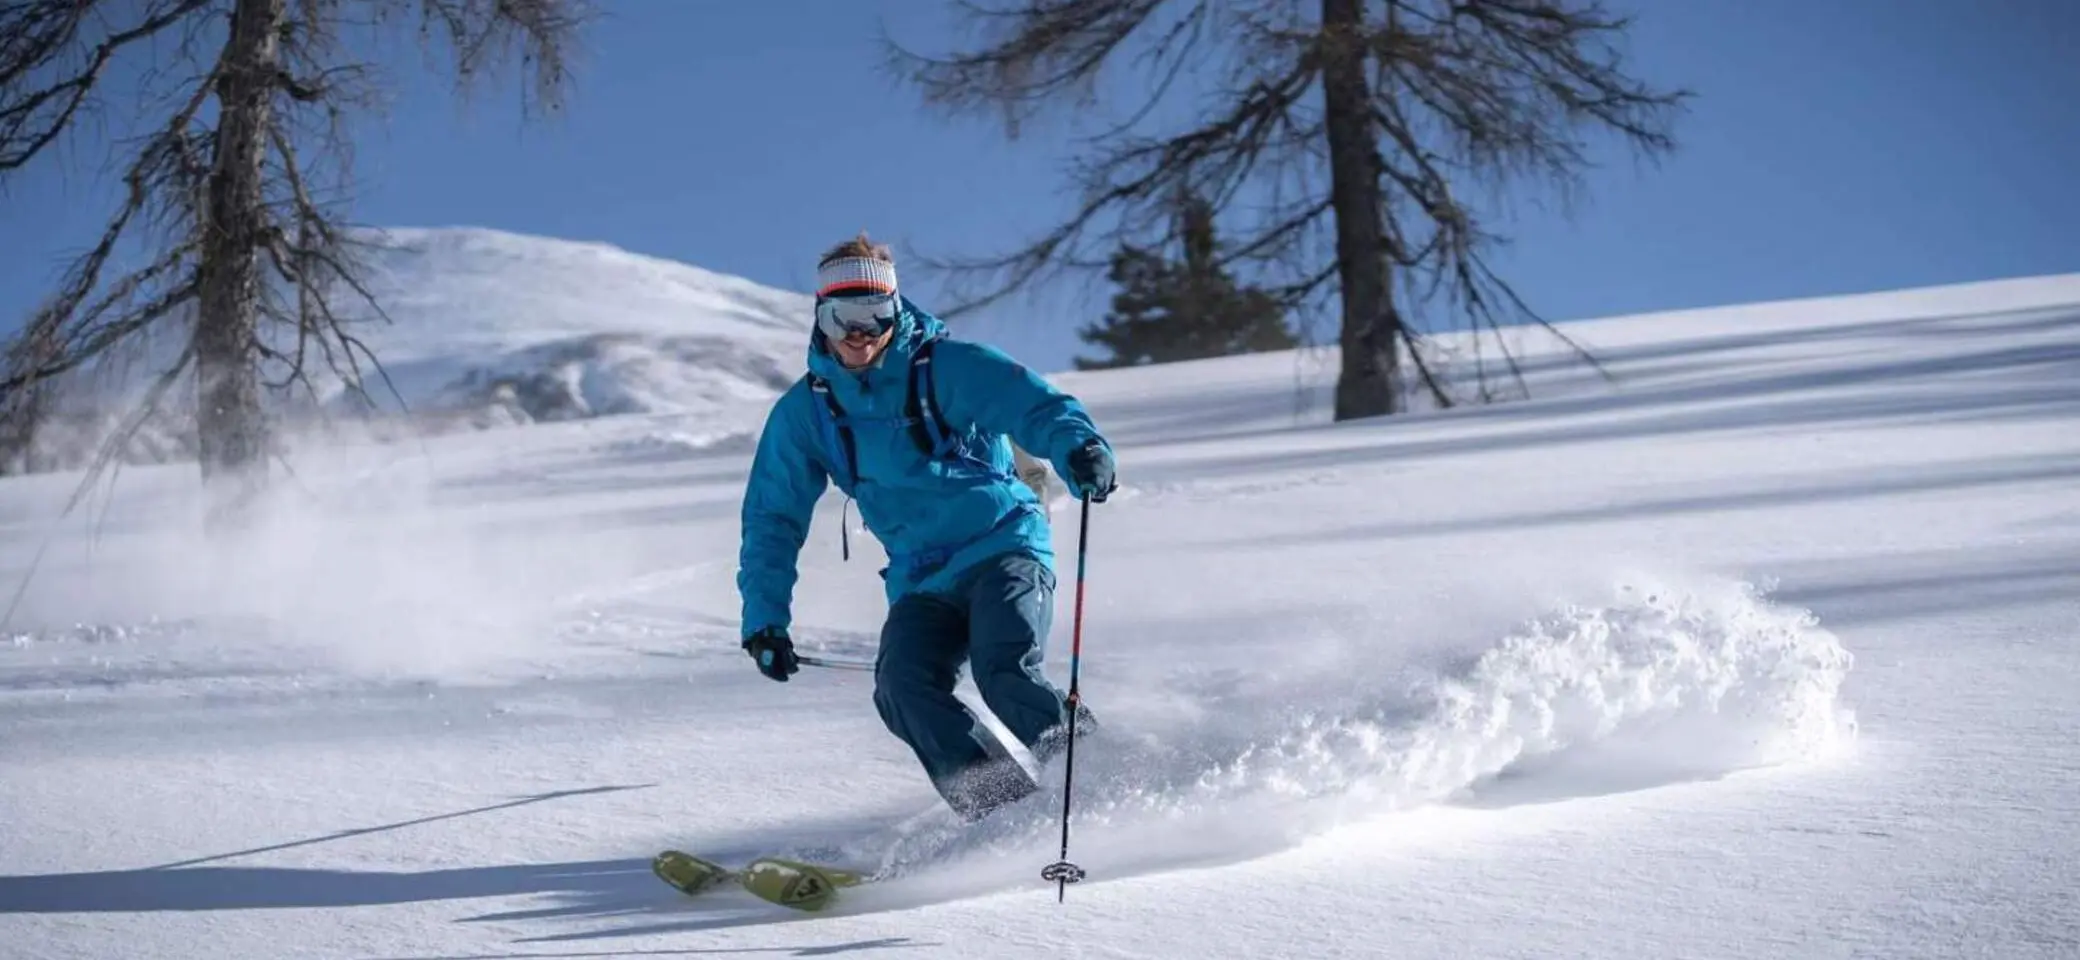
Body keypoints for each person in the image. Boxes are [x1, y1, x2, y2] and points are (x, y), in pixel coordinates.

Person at [735, 232, 1118, 822]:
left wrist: (1081, 447)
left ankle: (1109, 785)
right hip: (921, 579)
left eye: (875, 315)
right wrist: (765, 618)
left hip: (1002, 547)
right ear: (821, 317)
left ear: (896, 309)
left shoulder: (949, 366)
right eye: (844, 317)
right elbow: (772, 517)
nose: (859, 334)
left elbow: (1034, 406)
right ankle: (1004, 814)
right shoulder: (805, 412)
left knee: (1004, 670)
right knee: (902, 691)